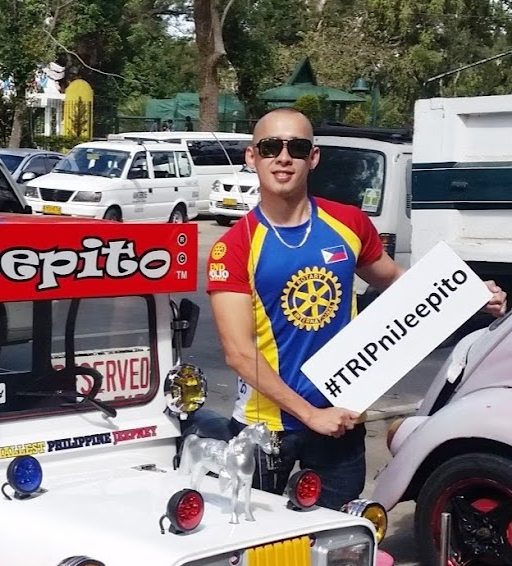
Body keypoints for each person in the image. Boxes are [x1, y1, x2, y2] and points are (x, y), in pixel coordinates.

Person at [195, 108, 507, 509]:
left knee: (339, 539)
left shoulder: (348, 222)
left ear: (313, 157)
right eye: (271, 147)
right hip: (266, 426)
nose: (284, 158)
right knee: (256, 540)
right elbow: (239, 353)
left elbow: (398, 281)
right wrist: (310, 415)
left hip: (341, 417)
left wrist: (468, 296)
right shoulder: (235, 246)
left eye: (297, 147)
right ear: (252, 157)